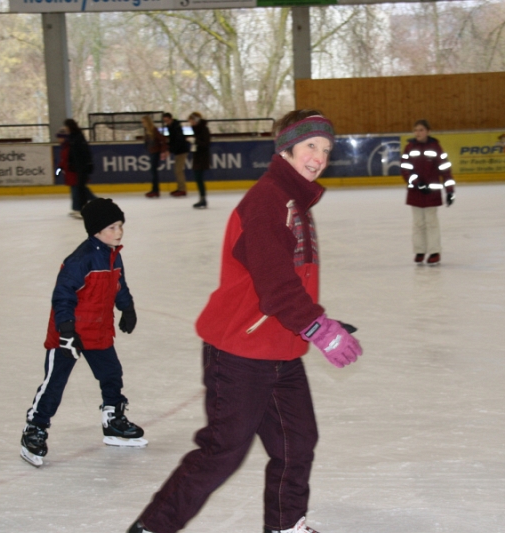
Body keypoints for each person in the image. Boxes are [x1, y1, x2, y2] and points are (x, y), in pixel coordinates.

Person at [128, 110, 363, 533]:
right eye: (310, 146)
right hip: (239, 352)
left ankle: (285, 525)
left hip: (280, 350)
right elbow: (275, 285)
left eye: (326, 149)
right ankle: (152, 528)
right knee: (223, 451)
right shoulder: (268, 200)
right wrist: (317, 328)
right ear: (286, 148)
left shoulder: (294, 201)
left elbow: (288, 281)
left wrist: (316, 320)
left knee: (296, 442)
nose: (319, 157)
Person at [20, 198, 147, 468]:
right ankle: (35, 427)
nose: (119, 232)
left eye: (120, 225)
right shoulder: (80, 259)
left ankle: (113, 420)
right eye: (112, 227)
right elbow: (63, 296)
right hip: (69, 334)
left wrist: (127, 308)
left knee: (111, 375)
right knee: (55, 383)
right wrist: (66, 330)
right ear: (96, 230)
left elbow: (119, 284)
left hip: (98, 330)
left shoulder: (113, 254)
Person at [399, 119, 456, 266]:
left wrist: (450, 191)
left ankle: (434, 252)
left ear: (428, 132)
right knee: (418, 223)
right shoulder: (409, 147)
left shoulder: (436, 147)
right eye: (416, 130)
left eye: (421, 130)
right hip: (416, 192)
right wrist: (417, 183)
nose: (418, 133)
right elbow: (405, 169)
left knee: (431, 223)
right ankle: (420, 251)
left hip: (432, 193)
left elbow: (445, 170)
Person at [58, 118, 96, 218]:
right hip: (75, 168)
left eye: (66, 126)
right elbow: (66, 159)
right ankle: (80, 208)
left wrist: (86, 165)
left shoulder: (76, 138)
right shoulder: (72, 139)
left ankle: (83, 208)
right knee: (80, 189)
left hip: (79, 168)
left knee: (80, 189)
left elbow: (83, 153)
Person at [162, 112, 191, 198]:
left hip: (182, 150)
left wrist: (170, 150)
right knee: (177, 170)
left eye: (167, 120)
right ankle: (180, 188)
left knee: (178, 170)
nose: (166, 122)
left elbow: (178, 140)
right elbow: (172, 140)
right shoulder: (171, 126)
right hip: (178, 151)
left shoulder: (176, 127)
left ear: (171, 119)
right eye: (165, 121)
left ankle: (182, 189)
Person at [187, 111, 211, 209]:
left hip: (202, 157)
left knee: (199, 177)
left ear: (196, 120)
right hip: (197, 157)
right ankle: (202, 198)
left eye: (191, 121)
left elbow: (205, 143)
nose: (190, 123)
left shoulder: (204, 129)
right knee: (198, 178)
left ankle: (203, 199)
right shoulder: (195, 129)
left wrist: (195, 141)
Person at [143, 115, 168, 198]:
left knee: (154, 171)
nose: (142, 123)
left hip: (156, 152)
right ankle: (155, 190)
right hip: (152, 152)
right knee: (153, 171)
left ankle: (155, 190)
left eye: (144, 122)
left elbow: (163, 139)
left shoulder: (154, 130)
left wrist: (163, 151)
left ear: (147, 122)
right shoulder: (147, 131)